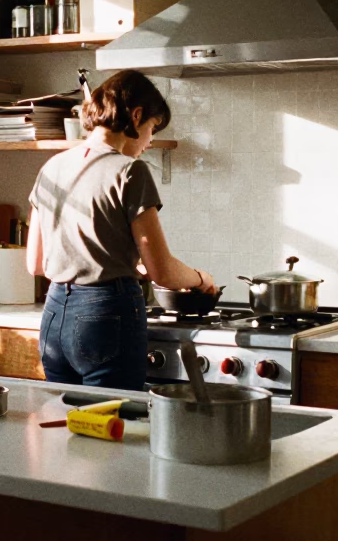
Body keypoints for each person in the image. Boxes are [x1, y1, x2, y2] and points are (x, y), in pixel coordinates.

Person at [26, 70, 216, 389]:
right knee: (113, 429)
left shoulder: (52, 167)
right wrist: (202, 279)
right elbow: (163, 272)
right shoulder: (130, 171)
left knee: (63, 428)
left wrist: (120, 259)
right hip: (105, 317)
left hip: (54, 316)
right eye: (152, 129)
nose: (150, 141)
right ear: (137, 116)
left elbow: (35, 263)